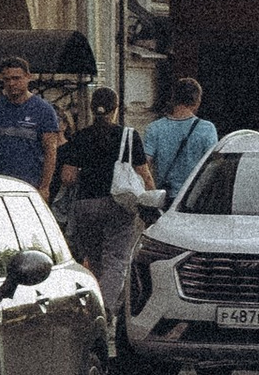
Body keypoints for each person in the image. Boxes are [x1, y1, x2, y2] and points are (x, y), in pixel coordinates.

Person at [52, 85, 154, 320]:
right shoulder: (128, 136)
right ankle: (106, 309)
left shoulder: (80, 137)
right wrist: (152, 200)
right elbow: (144, 174)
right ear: (115, 109)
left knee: (95, 259)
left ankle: (96, 303)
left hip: (86, 205)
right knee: (116, 258)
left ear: (91, 108)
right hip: (119, 204)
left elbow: (67, 177)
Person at [0, 53, 64, 196]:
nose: (11, 83)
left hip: (29, 186)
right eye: (7, 79)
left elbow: (50, 151)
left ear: (28, 77)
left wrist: (44, 187)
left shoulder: (43, 110)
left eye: (16, 78)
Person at [142, 76, 219, 204]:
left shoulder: (154, 128)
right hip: (194, 199)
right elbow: (212, 167)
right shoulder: (207, 129)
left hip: (164, 197)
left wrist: (152, 194)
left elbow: (145, 166)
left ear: (173, 99)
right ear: (197, 101)